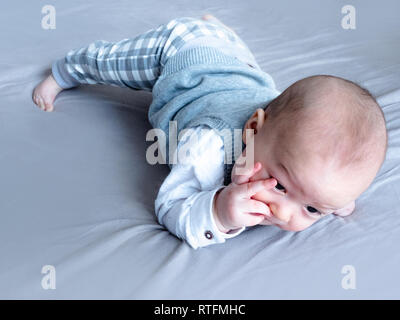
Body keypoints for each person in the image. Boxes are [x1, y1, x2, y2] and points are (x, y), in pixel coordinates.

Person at [32, 15, 388, 249]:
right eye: (279, 186)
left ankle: (216, 27)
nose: (284, 212)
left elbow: (329, 185)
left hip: (238, 67)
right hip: (183, 55)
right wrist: (217, 211)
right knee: (111, 62)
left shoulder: (293, 149)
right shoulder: (207, 146)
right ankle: (65, 70)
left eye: (311, 209)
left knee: (242, 64)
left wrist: (332, 200)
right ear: (252, 130)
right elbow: (171, 205)